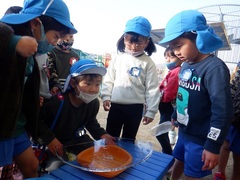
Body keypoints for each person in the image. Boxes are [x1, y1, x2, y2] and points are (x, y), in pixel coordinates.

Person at [0, 0, 77, 178]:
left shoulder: (34, 55)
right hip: (2, 123)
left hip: (15, 123)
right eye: (56, 36)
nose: (55, 42)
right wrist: (12, 42)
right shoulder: (10, 34)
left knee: (32, 166)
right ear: (36, 23)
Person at [159, 10, 233, 180]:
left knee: (192, 174)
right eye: (172, 47)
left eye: (179, 45)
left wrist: (213, 145)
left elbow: (222, 110)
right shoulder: (185, 65)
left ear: (198, 37)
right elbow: (182, 94)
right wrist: (175, 114)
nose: (175, 52)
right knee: (179, 159)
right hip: (184, 131)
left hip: (201, 137)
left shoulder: (214, 68)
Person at [36, 59, 114, 170]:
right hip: (54, 145)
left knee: (99, 160)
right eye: (88, 84)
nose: (93, 89)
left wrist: (102, 135)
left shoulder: (93, 103)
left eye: (97, 85)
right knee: (56, 169)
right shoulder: (57, 102)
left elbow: (91, 122)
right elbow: (37, 122)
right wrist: (50, 139)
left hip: (77, 142)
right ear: (73, 83)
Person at [101, 16, 160, 140]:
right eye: (130, 42)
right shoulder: (117, 58)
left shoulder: (148, 63)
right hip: (115, 106)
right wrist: (106, 96)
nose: (134, 46)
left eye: (138, 42)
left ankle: (126, 159)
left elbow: (152, 89)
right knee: (111, 137)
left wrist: (151, 111)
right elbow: (109, 79)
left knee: (129, 139)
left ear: (147, 42)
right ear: (124, 39)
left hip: (135, 109)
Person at [213, 62, 240, 180]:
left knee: (238, 154)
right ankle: (220, 172)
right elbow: (234, 86)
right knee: (225, 145)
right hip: (234, 115)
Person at [156, 47, 182, 155]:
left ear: (180, 58)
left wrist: (159, 96)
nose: (168, 60)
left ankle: (168, 155)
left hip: (169, 107)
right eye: (166, 57)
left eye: (171, 57)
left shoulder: (176, 72)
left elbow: (169, 93)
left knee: (160, 133)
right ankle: (168, 154)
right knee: (165, 131)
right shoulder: (174, 71)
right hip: (168, 108)